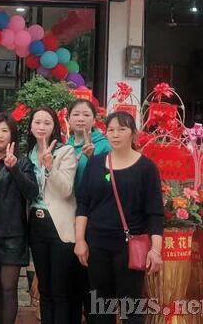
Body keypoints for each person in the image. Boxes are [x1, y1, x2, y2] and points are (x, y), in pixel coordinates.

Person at [75, 112, 164, 324]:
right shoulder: (95, 164)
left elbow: (155, 213)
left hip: (130, 246)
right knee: (100, 305)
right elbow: (83, 204)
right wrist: (79, 240)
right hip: (97, 244)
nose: (115, 134)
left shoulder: (146, 168)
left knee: (131, 306)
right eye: (111, 130)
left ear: (133, 134)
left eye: (122, 129)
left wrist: (155, 250)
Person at [0, 113, 38, 324]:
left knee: (8, 288)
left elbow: (31, 192)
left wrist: (14, 168)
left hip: (12, 233)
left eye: (4, 130)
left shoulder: (22, 162)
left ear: (12, 134)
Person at [27, 106, 79, 324]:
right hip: (36, 223)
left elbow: (66, 190)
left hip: (58, 224)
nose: (41, 127)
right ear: (31, 126)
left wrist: (50, 167)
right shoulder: (28, 153)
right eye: (37, 122)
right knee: (45, 289)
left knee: (60, 289)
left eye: (47, 123)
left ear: (55, 126)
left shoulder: (65, 151)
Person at [67, 100, 111, 322]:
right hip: (66, 218)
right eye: (76, 114)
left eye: (86, 115)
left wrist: (94, 160)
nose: (81, 119)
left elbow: (112, 180)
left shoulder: (104, 146)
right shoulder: (63, 146)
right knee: (72, 281)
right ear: (68, 119)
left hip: (94, 218)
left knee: (92, 281)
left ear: (94, 120)